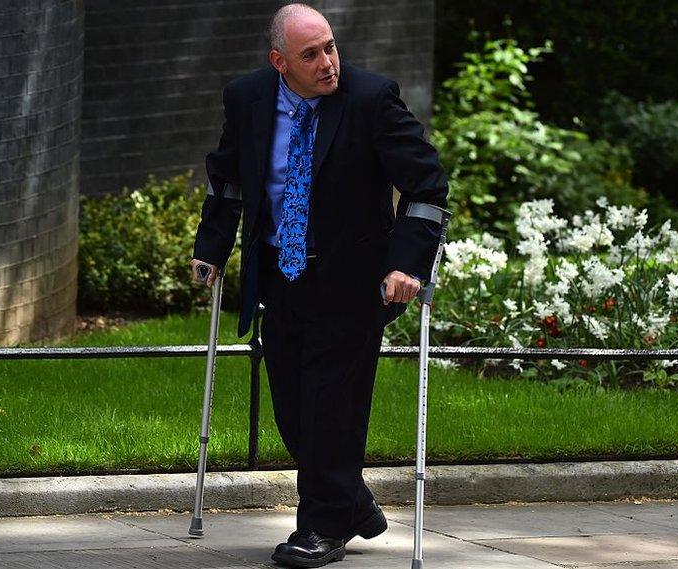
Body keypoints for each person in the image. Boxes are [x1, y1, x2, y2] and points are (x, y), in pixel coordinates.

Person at [189, 4, 448, 567]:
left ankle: (321, 529)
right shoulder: (248, 98)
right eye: (311, 54)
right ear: (279, 61)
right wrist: (211, 249)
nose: (328, 62)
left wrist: (407, 265)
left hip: (353, 283)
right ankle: (352, 503)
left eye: (331, 47)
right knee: (291, 410)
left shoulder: (371, 98)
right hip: (280, 277)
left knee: (331, 407)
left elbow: (426, 186)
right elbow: (229, 179)